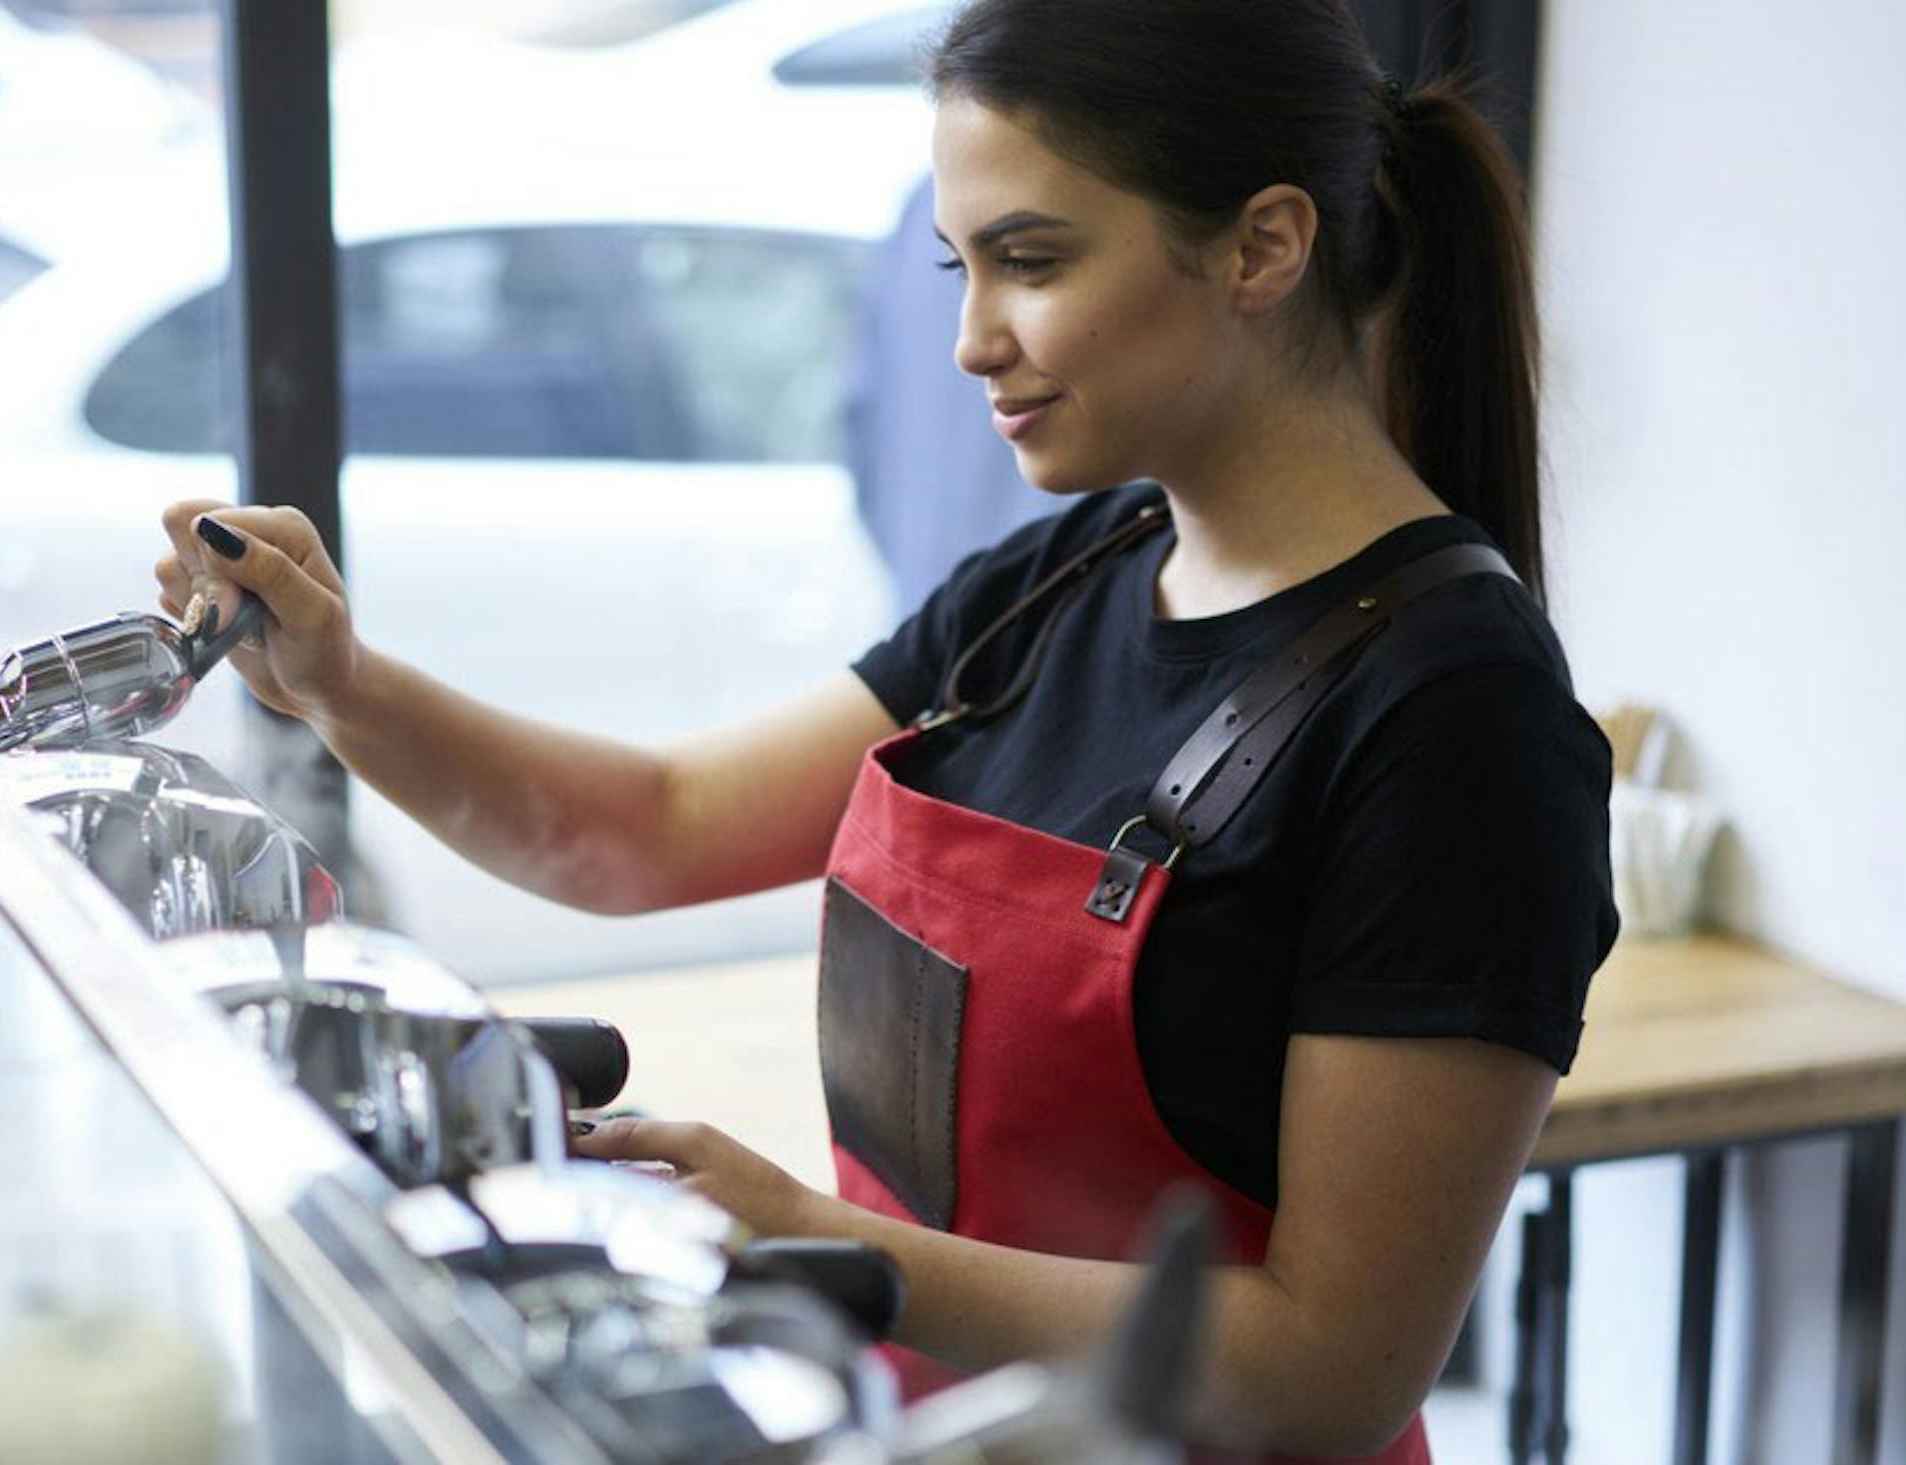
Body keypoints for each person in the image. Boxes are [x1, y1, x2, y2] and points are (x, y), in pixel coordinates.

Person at [152, 1, 1615, 1458]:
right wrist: (342, 683)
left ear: (1262, 246)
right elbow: (648, 828)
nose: (973, 340)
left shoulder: (1455, 716)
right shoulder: (1067, 575)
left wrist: (817, 1240)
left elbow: (1333, 1366)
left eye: (1031, 262)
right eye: (959, 265)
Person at [846, 174, 1054, 616]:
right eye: (954, 268)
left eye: (1027, 263)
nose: (971, 351)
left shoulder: (926, 203)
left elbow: (861, 435)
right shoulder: (929, 204)